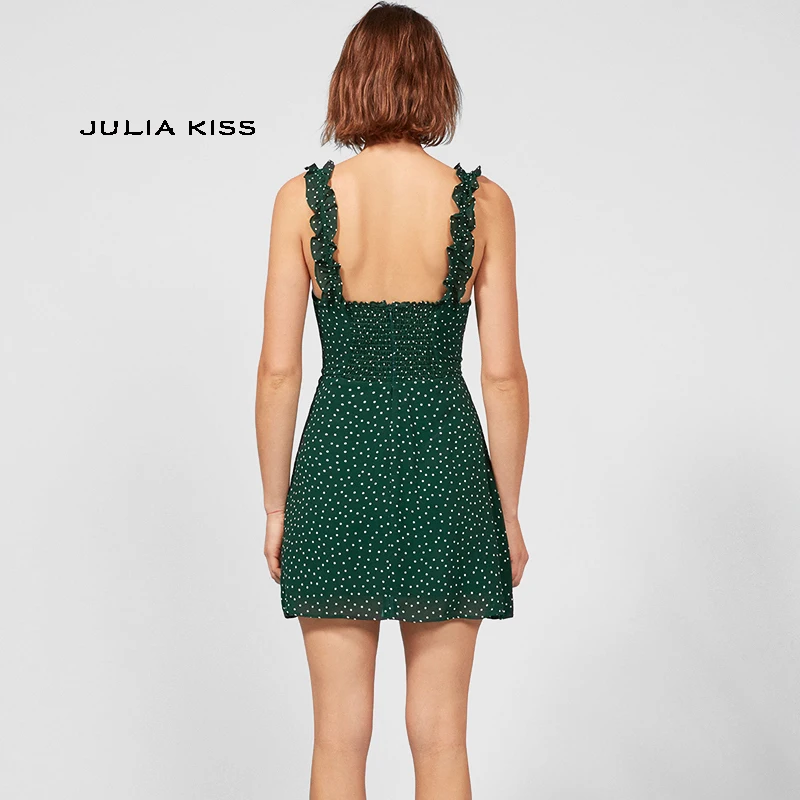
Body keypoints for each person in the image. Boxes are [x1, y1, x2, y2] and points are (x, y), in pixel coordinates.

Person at [255, 3, 529, 797]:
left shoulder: (301, 200)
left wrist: (276, 509)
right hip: (446, 466)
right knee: (441, 739)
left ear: (350, 84)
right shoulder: (484, 204)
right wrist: (507, 512)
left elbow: (278, 372)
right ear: (436, 84)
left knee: (338, 740)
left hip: (338, 465)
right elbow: (503, 375)